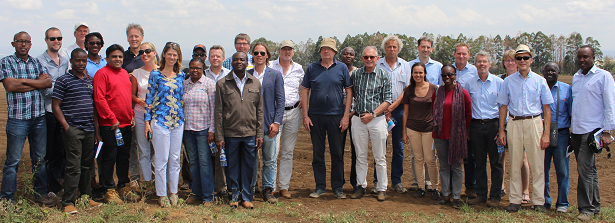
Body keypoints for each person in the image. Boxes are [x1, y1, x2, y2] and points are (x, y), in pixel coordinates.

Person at [0, 31, 55, 206]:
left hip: (38, 117)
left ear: (31, 44)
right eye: (20, 41)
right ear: (13, 44)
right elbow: (10, 86)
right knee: (13, 161)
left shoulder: (36, 62)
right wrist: (35, 83)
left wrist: (21, 82)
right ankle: (7, 199)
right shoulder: (6, 61)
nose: (23, 45)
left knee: (39, 159)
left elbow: (47, 83)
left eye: (26, 42)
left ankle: (40, 194)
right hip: (18, 119)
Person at [497, 44, 553, 213]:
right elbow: (503, 107)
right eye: (519, 58)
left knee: (537, 164)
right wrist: (501, 130)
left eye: (525, 58)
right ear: (515, 60)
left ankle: (538, 201)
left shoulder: (540, 80)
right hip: (514, 122)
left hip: (534, 122)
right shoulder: (508, 81)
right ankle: (514, 200)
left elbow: (547, 109)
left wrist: (546, 133)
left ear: (531, 60)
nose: (522, 61)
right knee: (515, 162)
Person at [53, 49, 103, 214]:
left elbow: (93, 108)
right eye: (77, 61)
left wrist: (96, 131)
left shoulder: (89, 81)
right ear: (72, 62)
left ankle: (86, 197)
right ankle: (68, 201)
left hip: (89, 129)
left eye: (83, 61)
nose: (81, 64)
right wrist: (66, 127)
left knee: (87, 165)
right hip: (73, 129)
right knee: (73, 166)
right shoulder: (64, 81)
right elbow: (56, 106)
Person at [302, 38, 352, 199]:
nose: (326, 51)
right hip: (316, 116)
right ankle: (320, 186)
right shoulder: (312, 68)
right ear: (320, 51)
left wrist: (346, 116)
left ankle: (337, 187)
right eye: (323, 48)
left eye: (329, 49)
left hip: (336, 116)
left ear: (335, 52)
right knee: (318, 153)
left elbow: (349, 91)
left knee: (337, 153)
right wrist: (305, 115)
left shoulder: (342, 68)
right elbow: (305, 91)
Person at [571, 45, 615, 221]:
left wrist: (607, 132)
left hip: (591, 132)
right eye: (580, 57)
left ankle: (586, 209)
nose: (582, 60)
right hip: (576, 130)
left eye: (586, 57)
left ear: (593, 58)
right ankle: (595, 207)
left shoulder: (603, 76)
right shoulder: (576, 77)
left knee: (585, 171)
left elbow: (610, 105)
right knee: (590, 170)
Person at [215, 52, 264, 209]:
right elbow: (218, 112)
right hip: (230, 134)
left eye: (242, 59)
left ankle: (247, 197)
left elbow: (260, 111)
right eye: (235, 60)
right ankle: (234, 196)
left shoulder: (255, 83)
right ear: (232, 62)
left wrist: (259, 133)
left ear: (247, 62)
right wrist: (220, 136)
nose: (239, 62)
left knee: (249, 167)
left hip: (250, 133)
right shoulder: (222, 83)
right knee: (232, 167)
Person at [93, 43, 140, 204]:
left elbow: (127, 97)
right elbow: (100, 99)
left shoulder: (124, 74)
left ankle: (122, 185)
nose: (118, 59)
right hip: (110, 125)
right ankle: (108, 189)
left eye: (120, 56)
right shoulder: (102, 74)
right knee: (109, 157)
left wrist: (131, 115)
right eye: (114, 56)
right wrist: (112, 119)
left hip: (126, 124)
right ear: (107, 58)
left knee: (123, 157)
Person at [144, 42, 185, 207]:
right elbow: (148, 99)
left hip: (177, 121)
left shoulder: (181, 75)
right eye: (169, 54)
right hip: (160, 120)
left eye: (175, 55)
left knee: (175, 159)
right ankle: (161, 194)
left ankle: (173, 193)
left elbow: (182, 98)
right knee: (161, 159)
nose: (172, 57)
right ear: (163, 55)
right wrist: (147, 121)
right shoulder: (155, 74)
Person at [349, 46, 392, 202]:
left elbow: (388, 100)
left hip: (377, 120)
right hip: (359, 120)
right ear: (362, 59)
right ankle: (360, 186)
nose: (368, 60)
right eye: (366, 57)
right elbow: (350, 94)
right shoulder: (356, 75)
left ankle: (381, 188)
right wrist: (353, 112)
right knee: (360, 155)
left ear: (377, 58)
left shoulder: (384, 76)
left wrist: (373, 114)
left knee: (379, 156)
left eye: (371, 57)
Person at [464, 51, 504, 207]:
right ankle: (481, 194)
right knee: (479, 162)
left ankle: (495, 196)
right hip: (475, 126)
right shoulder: (469, 83)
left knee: (496, 163)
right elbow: (467, 107)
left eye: (484, 61)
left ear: (490, 64)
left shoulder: (499, 82)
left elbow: (502, 107)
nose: (482, 64)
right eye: (479, 61)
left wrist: (502, 130)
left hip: (493, 126)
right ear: (475, 64)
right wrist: (468, 128)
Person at [248, 42, 285, 203]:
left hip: (269, 124)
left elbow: (281, 100)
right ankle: (250, 189)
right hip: (249, 125)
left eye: (262, 53)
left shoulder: (275, 75)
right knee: (251, 159)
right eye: (256, 53)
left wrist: (277, 122)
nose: (259, 56)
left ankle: (268, 190)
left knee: (269, 159)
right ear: (252, 55)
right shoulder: (247, 74)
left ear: (267, 55)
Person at [432, 65, 472, 209]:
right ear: (441, 76)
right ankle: (445, 195)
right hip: (440, 134)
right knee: (443, 166)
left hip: (457, 136)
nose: (447, 78)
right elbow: (434, 111)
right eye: (444, 75)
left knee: (456, 166)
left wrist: (463, 131)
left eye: (450, 74)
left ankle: (456, 196)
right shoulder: (438, 92)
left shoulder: (463, 93)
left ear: (455, 75)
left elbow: (468, 115)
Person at [269, 40, 304, 199]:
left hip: (293, 112)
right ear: (279, 51)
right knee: (272, 152)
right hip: (274, 114)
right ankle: (270, 186)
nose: (287, 52)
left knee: (288, 152)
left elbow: (305, 88)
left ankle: (284, 186)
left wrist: (304, 100)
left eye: (290, 49)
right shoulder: (270, 66)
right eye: (284, 49)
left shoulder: (299, 69)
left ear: (293, 52)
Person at [37, 27, 70, 199]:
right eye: (52, 39)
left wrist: (54, 86)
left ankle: (57, 185)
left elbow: (55, 84)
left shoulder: (64, 60)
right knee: (48, 152)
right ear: (46, 40)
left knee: (61, 150)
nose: (56, 41)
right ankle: (47, 188)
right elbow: (42, 88)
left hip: (62, 111)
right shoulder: (39, 62)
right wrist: (59, 90)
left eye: (58, 38)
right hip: (48, 112)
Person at [377, 35, 412, 194]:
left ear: (398, 49)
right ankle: (378, 180)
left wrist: (392, 107)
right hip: (379, 111)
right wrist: (384, 108)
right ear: (384, 49)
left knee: (398, 147)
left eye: (394, 47)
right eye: (389, 46)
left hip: (398, 110)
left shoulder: (405, 65)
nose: (392, 49)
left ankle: (396, 180)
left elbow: (407, 90)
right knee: (380, 146)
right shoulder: (378, 64)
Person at [497, 49, 531, 202]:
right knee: (501, 156)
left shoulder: (524, 79)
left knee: (522, 158)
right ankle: (502, 185)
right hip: (502, 124)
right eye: (507, 60)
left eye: (513, 60)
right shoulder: (499, 80)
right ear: (504, 63)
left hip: (518, 122)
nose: (510, 63)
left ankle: (525, 190)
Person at [402, 62, 439, 200]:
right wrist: (404, 132)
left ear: (425, 74)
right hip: (413, 129)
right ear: (412, 74)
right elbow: (405, 112)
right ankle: (421, 187)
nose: (418, 75)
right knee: (418, 159)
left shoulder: (434, 89)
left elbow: (437, 110)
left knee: (430, 159)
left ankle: (435, 187)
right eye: (415, 72)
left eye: (420, 72)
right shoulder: (408, 90)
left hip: (429, 129)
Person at [182, 58, 216, 206]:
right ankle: (196, 193)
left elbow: (214, 109)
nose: (195, 70)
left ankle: (208, 196)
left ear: (203, 69)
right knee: (193, 163)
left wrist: (212, 130)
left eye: (198, 68)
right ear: (189, 69)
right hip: (188, 130)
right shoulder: (185, 84)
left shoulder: (209, 84)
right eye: (192, 68)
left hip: (203, 130)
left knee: (205, 162)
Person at [542, 62, 572, 213]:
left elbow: (571, 113)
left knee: (562, 170)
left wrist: (571, 137)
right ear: (543, 72)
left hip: (561, 134)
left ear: (558, 72)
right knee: (543, 169)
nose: (550, 73)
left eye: (553, 70)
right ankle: (545, 201)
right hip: (542, 134)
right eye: (547, 70)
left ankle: (562, 203)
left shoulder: (567, 89)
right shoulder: (540, 87)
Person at [130, 42, 158, 194]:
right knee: (144, 150)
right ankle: (148, 183)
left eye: (148, 51)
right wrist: (139, 101)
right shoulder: (136, 73)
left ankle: (158, 182)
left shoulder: (161, 72)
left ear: (154, 53)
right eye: (141, 52)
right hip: (141, 115)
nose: (144, 54)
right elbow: (132, 94)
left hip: (158, 116)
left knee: (158, 150)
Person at [452, 42, 477, 198]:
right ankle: (451, 188)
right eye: (459, 53)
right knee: (452, 154)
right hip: (452, 118)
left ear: (468, 55)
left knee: (470, 155)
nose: (461, 56)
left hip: (469, 118)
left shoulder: (475, 71)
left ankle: (471, 187)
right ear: (454, 54)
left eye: (464, 54)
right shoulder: (448, 70)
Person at [205, 45, 230, 197]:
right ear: (208, 58)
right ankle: (207, 187)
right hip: (204, 120)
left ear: (223, 59)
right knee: (205, 156)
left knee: (222, 154)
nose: (215, 58)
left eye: (218, 56)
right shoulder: (202, 75)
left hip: (224, 122)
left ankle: (222, 188)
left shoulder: (229, 75)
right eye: (212, 55)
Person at [341, 47, 361, 192]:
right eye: (345, 53)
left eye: (351, 54)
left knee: (356, 150)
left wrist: (352, 112)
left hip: (355, 115)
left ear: (354, 57)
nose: (348, 56)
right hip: (338, 115)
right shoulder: (336, 70)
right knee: (338, 149)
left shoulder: (358, 73)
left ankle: (356, 181)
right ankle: (339, 181)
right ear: (340, 56)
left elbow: (361, 94)